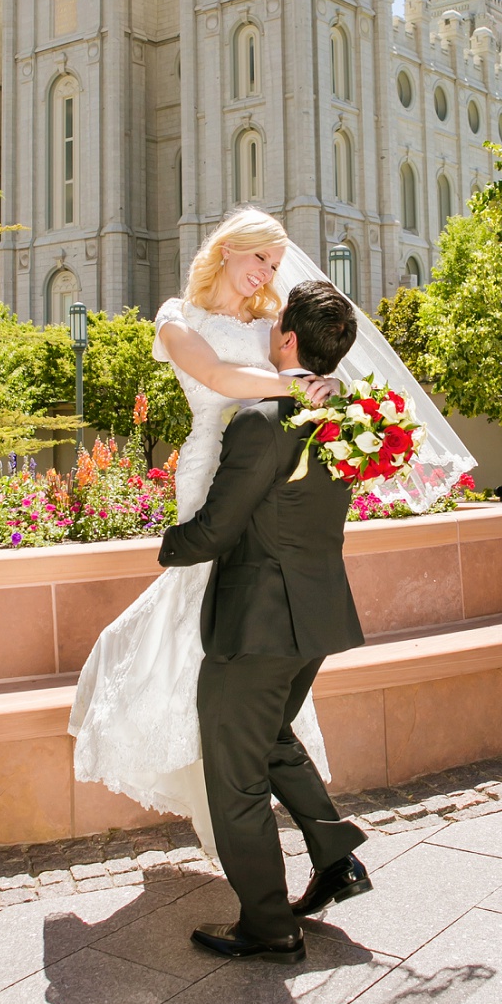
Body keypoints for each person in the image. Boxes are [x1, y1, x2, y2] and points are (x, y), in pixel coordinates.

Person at [68, 209, 336, 855]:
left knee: (234, 625)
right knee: (199, 615)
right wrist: (289, 384)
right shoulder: (175, 317)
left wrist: (315, 383)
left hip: (262, 475)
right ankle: (224, 787)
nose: (267, 274)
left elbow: (294, 380)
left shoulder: (269, 325)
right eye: (260, 260)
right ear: (228, 250)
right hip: (208, 470)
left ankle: (242, 786)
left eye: (274, 265)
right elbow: (216, 379)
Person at [158, 279, 372, 961]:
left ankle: (269, 924)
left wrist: (166, 545)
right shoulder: (350, 421)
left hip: (257, 624)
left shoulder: (260, 421)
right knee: (275, 738)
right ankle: (337, 860)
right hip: (314, 616)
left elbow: (218, 530)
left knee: (236, 770)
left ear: (285, 340)